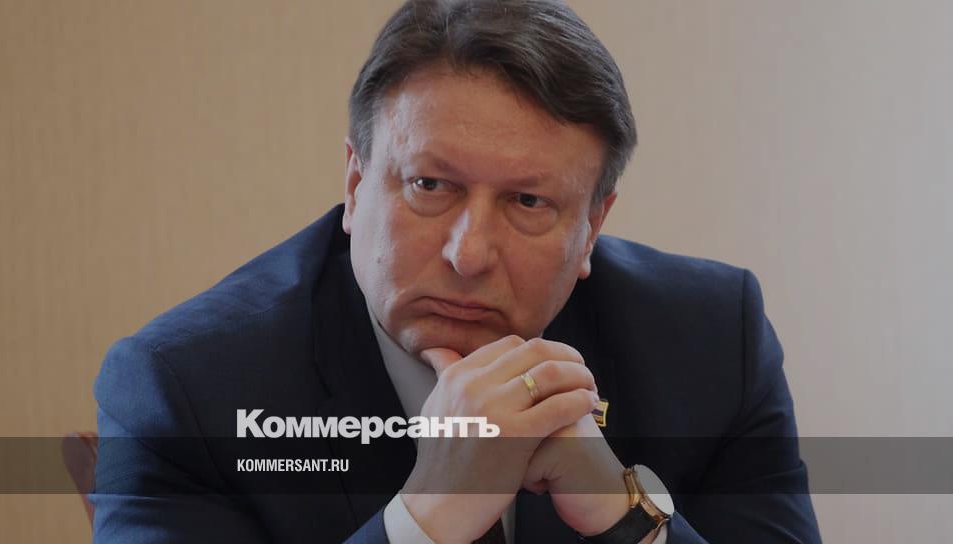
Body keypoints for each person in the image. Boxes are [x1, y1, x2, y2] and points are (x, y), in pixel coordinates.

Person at [91, 1, 821, 542]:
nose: (469, 254)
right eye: (430, 186)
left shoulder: (710, 341)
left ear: (592, 228)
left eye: (528, 202)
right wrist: (426, 517)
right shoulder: (189, 388)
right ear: (355, 185)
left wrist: (622, 514)